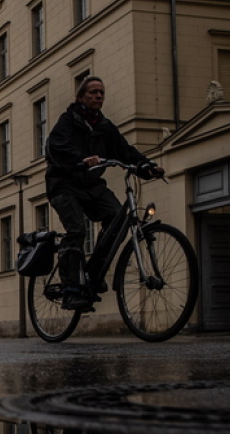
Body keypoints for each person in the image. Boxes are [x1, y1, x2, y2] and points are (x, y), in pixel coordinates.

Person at [45, 76, 163, 311]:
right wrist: (80, 160)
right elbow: (56, 146)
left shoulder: (105, 126)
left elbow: (125, 150)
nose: (99, 96)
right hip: (64, 184)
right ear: (81, 97)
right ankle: (70, 290)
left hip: (91, 186)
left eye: (102, 93)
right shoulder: (68, 121)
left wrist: (147, 166)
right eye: (93, 92)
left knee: (117, 220)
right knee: (77, 229)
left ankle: (92, 274)